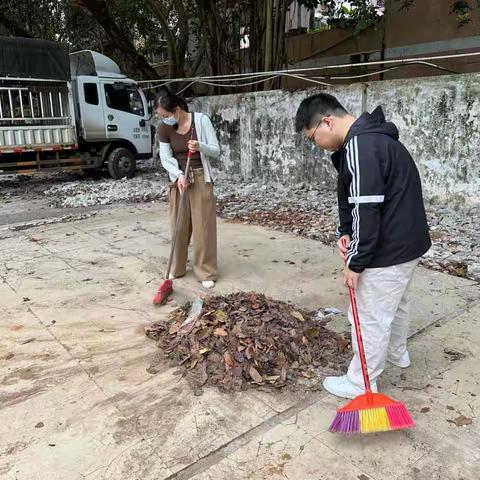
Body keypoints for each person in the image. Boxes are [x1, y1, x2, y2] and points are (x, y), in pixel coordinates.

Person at [295, 93, 431, 399]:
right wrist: (346, 231)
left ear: (327, 122)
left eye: (314, 137)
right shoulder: (374, 139)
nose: (317, 146)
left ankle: (361, 382)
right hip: (409, 244)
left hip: (388, 249)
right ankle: (398, 353)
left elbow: (367, 211)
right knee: (397, 304)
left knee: (369, 317)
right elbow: (355, 201)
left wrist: (355, 263)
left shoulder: (359, 146)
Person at [155, 91, 220, 289]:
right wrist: (178, 174)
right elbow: (165, 157)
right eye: (161, 117)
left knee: (203, 227)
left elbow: (216, 150)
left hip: (200, 177)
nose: (163, 120)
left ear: (177, 110)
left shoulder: (200, 121)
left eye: (165, 116)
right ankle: (178, 267)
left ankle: (205, 270)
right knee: (179, 225)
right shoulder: (164, 130)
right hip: (179, 179)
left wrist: (200, 146)